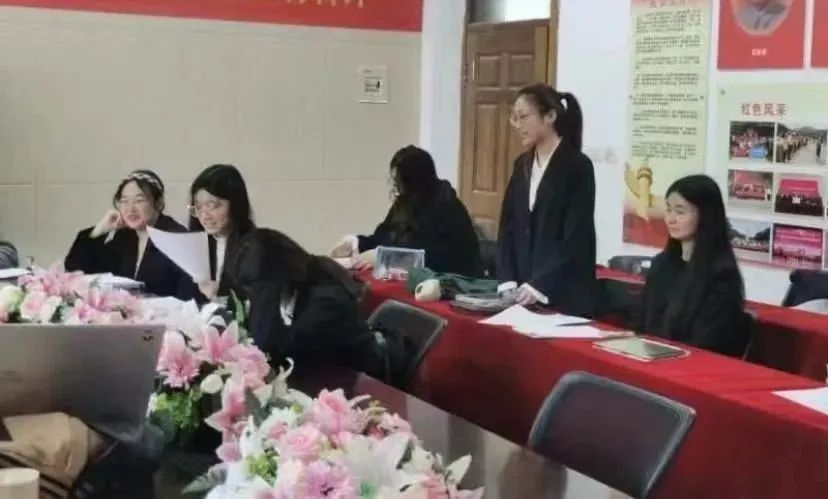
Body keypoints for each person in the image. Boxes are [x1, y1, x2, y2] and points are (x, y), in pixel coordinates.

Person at [497, 84, 597, 316]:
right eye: (514, 118)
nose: (518, 125)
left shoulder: (577, 166)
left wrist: (539, 284)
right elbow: (508, 224)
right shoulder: (522, 164)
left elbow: (575, 236)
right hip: (523, 293)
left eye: (523, 117)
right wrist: (507, 279)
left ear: (550, 116)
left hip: (562, 295)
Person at [230, 228, 381, 374]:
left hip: (357, 380)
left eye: (255, 289)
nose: (252, 295)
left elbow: (280, 352)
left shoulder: (325, 302)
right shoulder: (285, 291)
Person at [639, 175, 751, 357]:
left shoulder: (721, 275)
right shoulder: (661, 264)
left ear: (705, 215)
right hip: (654, 357)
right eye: (668, 210)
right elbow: (644, 322)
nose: (670, 219)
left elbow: (707, 341)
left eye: (680, 212)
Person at [330, 145, 482, 276]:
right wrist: (356, 243)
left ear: (415, 182)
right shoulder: (406, 202)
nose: (397, 188)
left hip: (451, 284)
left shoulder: (446, 208)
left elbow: (431, 257)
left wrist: (385, 256)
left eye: (401, 182)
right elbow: (383, 237)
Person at [65, 170, 188, 298]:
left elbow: (188, 295)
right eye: (124, 201)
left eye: (139, 200)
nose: (130, 209)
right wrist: (99, 231)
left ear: (158, 203)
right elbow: (76, 270)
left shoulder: (177, 238)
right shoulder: (124, 236)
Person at [185, 164, 255, 302]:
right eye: (198, 207)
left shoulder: (253, 247)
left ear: (235, 204)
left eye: (212, 206)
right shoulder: (203, 245)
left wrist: (221, 293)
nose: (204, 216)